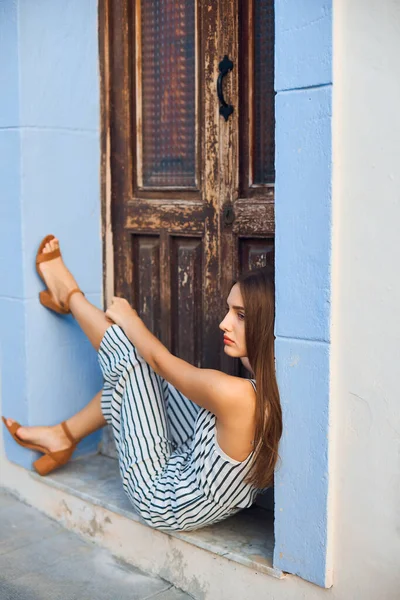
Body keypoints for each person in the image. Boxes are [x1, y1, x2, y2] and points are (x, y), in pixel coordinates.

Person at [2, 235, 282, 532]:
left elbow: (159, 361)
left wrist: (129, 318)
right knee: (140, 384)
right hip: (198, 473)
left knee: (132, 362)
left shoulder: (234, 394)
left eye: (240, 316)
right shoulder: (276, 385)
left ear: (267, 323)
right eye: (229, 311)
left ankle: (69, 296)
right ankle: (63, 437)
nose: (224, 323)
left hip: (161, 496)